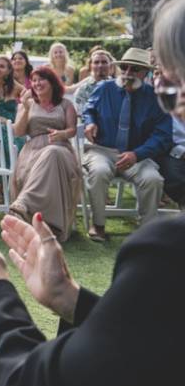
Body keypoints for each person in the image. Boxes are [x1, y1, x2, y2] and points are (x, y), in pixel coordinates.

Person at [0, 0, 185, 386]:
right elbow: (150, 348)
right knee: (50, 156)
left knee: (56, 154)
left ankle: (25, 208)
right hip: (43, 157)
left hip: (73, 156)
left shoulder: (166, 254)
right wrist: (69, 299)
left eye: (167, 85)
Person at [82, 47, 172, 241]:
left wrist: (137, 154)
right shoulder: (104, 88)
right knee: (98, 172)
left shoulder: (155, 98)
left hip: (138, 154)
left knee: (153, 179)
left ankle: (146, 232)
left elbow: (162, 136)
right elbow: (89, 109)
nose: (128, 73)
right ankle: (98, 225)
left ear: (145, 72)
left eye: (134, 69)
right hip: (102, 151)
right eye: (124, 67)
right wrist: (90, 123)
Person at [8, 66, 82, 241]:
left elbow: (72, 129)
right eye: (33, 80)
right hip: (33, 151)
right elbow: (18, 132)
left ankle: (24, 203)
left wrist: (62, 134)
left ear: (52, 82)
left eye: (41, 79)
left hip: (61, 148)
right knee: (49, 154)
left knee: (53, 151)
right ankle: (49, 224)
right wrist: (25, 108)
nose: (36, 83)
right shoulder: (27, 104)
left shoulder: (66, 104)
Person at [72, 49, 114, 114]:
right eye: (96, 62)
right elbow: (82, 114)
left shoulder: (118, 87)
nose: (100, 65)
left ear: (111, 66)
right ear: (90, 66)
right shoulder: (83, 90)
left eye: (104, 62)